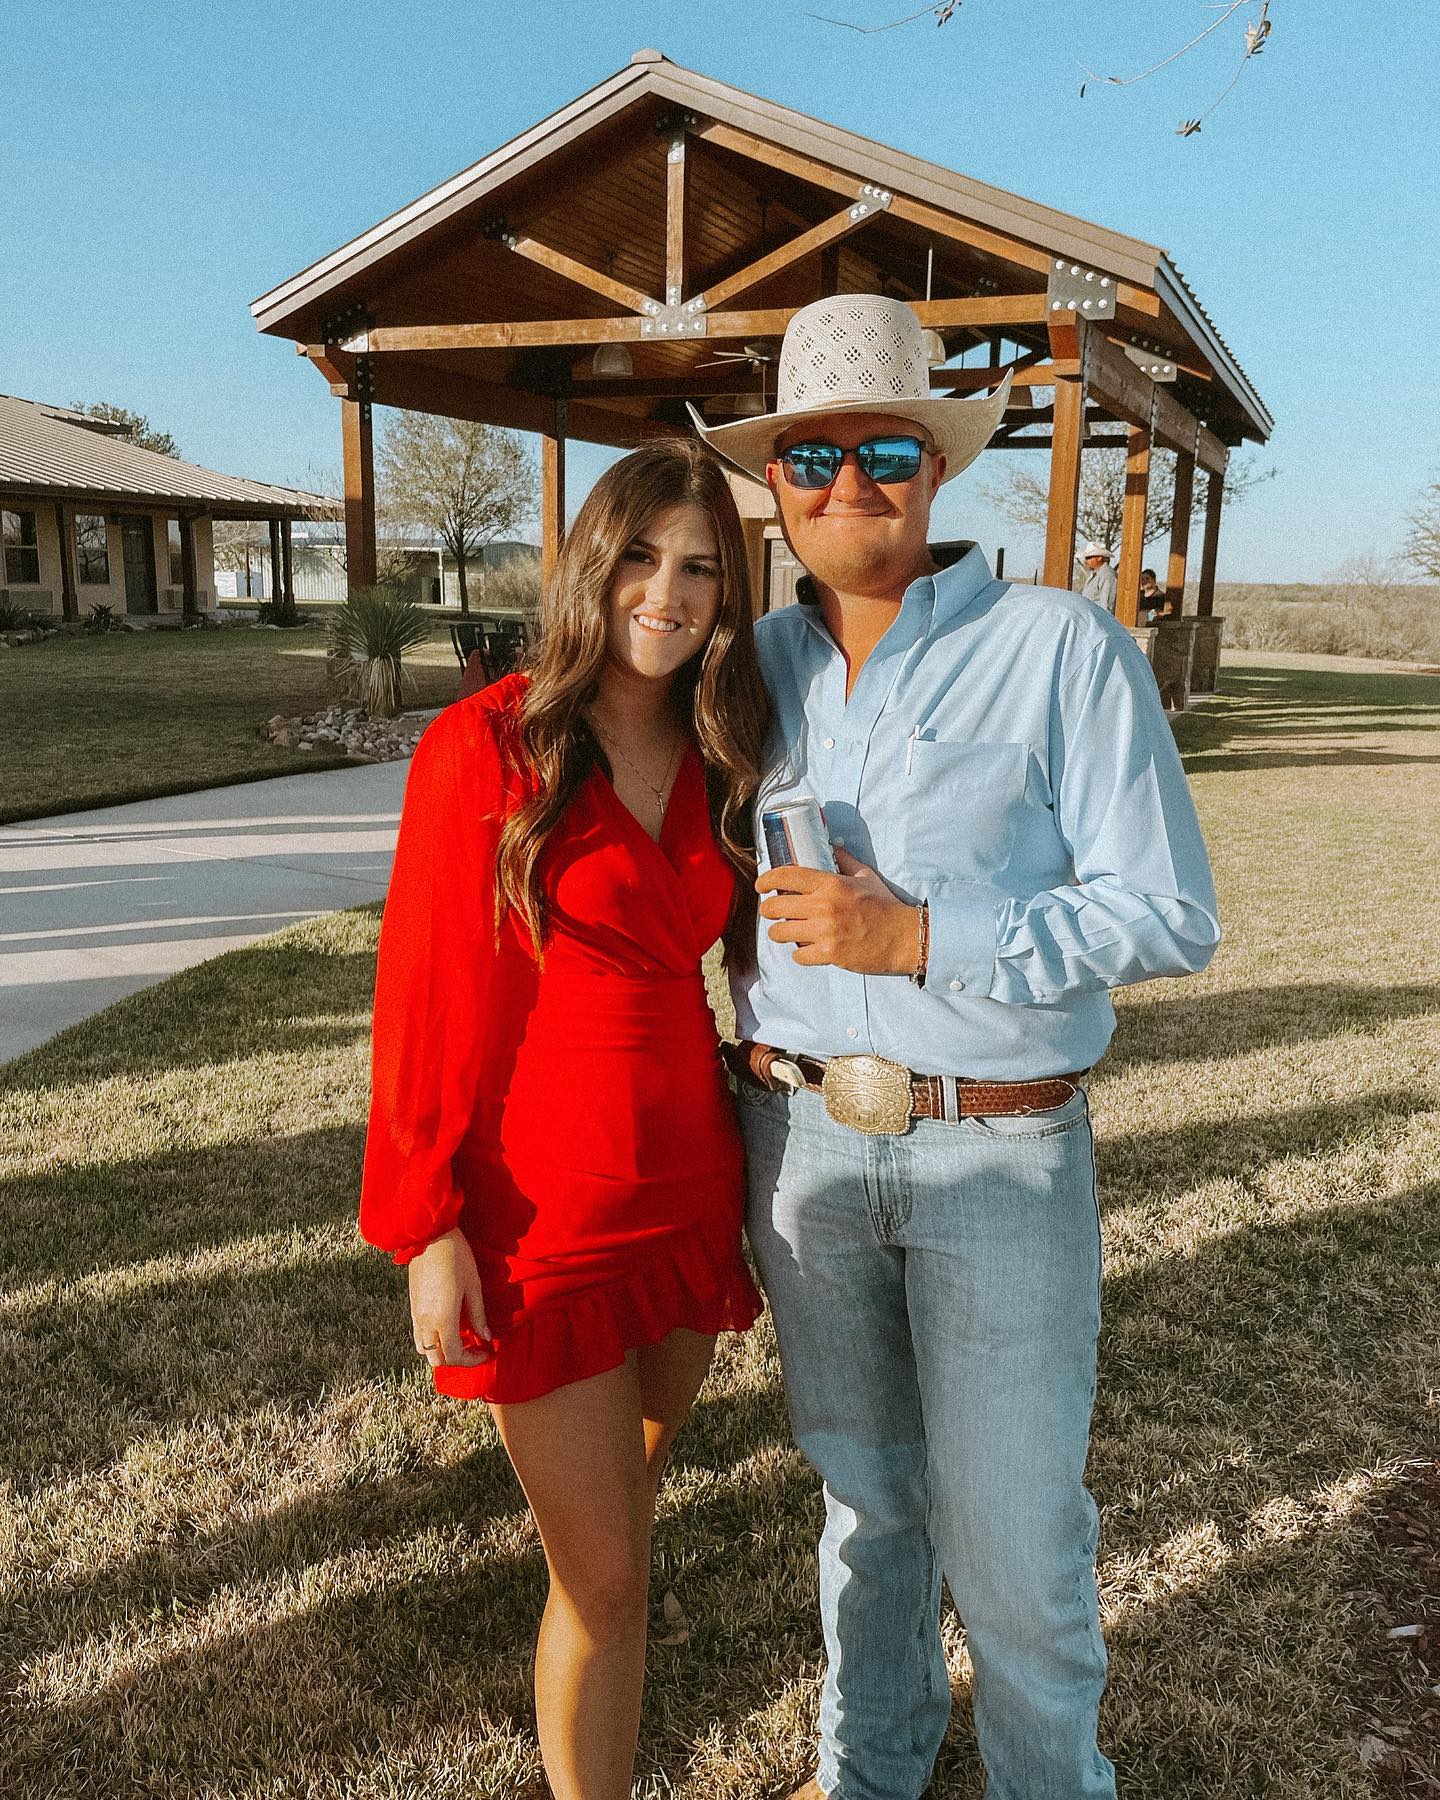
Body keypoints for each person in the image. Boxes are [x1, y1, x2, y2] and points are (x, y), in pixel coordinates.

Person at [690, 294, 1220, 1800]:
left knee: (1013, 1536)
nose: (846, 485)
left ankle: (1055, 1783)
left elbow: (1170, 913)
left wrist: (924, 938)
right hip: (797, 1142)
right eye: (810, 459)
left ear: (937, 468)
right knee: (866, 1506)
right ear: (774, 485)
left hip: (997, 1138)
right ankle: (871, 1774)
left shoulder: (1059, 645)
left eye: (883, 452)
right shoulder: (750, 670)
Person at [359, 438, 770, 1800]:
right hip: (544, 1212)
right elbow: (427, 1000)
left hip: (690, 1188)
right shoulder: (482, 745)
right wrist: (427, 1225)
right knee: (607, 1581)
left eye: (703, 566)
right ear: (595, 563)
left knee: (623, 1542)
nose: (670, 590)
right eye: (644, 555)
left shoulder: (727, 744)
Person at [1079, 539, 1118, 613]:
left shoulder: (1107, 575)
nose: (1086, 561)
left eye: (1089, 558)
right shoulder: (1093, 574)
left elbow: (1107, 606)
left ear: (1099, 558)